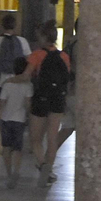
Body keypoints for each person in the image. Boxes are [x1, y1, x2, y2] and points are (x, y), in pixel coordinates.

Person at [27, 20, 71, 185]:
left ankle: (43, 164)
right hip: (57, 99)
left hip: (41, 98)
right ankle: (50, 170)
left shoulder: (37, 55)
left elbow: (27, 75)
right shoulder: (64, 56)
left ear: (43, 37)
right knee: (52, 138)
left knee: (36, 139)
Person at [0, 15, 30, 144]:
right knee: (17, 110)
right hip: (18, 81)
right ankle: (16, 139)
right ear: (15, 25)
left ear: (2, 25)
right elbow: (29, 61)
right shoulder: (22, 41)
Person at [0, 56, 33, 187]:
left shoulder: (7, 84)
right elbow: (28, 104)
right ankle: (16, 171)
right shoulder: (28, 86)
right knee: (17, 148)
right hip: (19, 119)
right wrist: (29, 117)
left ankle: (9, 172)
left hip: (5, 119)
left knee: (6, 147)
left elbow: (1, 104)